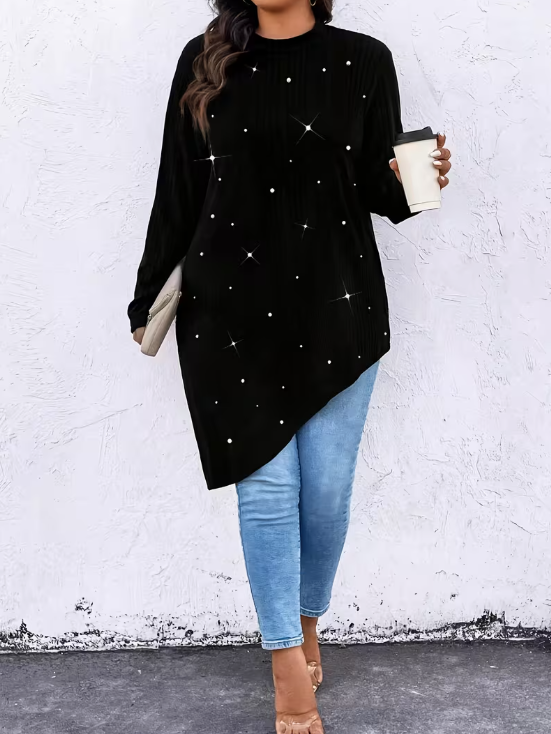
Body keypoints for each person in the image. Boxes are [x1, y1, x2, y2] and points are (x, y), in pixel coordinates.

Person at [128, 1, 452, 731]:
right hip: (228, 315)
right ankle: (284, 666)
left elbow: (380, 190)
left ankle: (307, 621)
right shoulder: (204, 60)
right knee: (268, 494)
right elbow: (176, 188)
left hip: (338, 309)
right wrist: (146, 296)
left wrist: (422, 178)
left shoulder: (363, 59)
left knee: (326, 496)